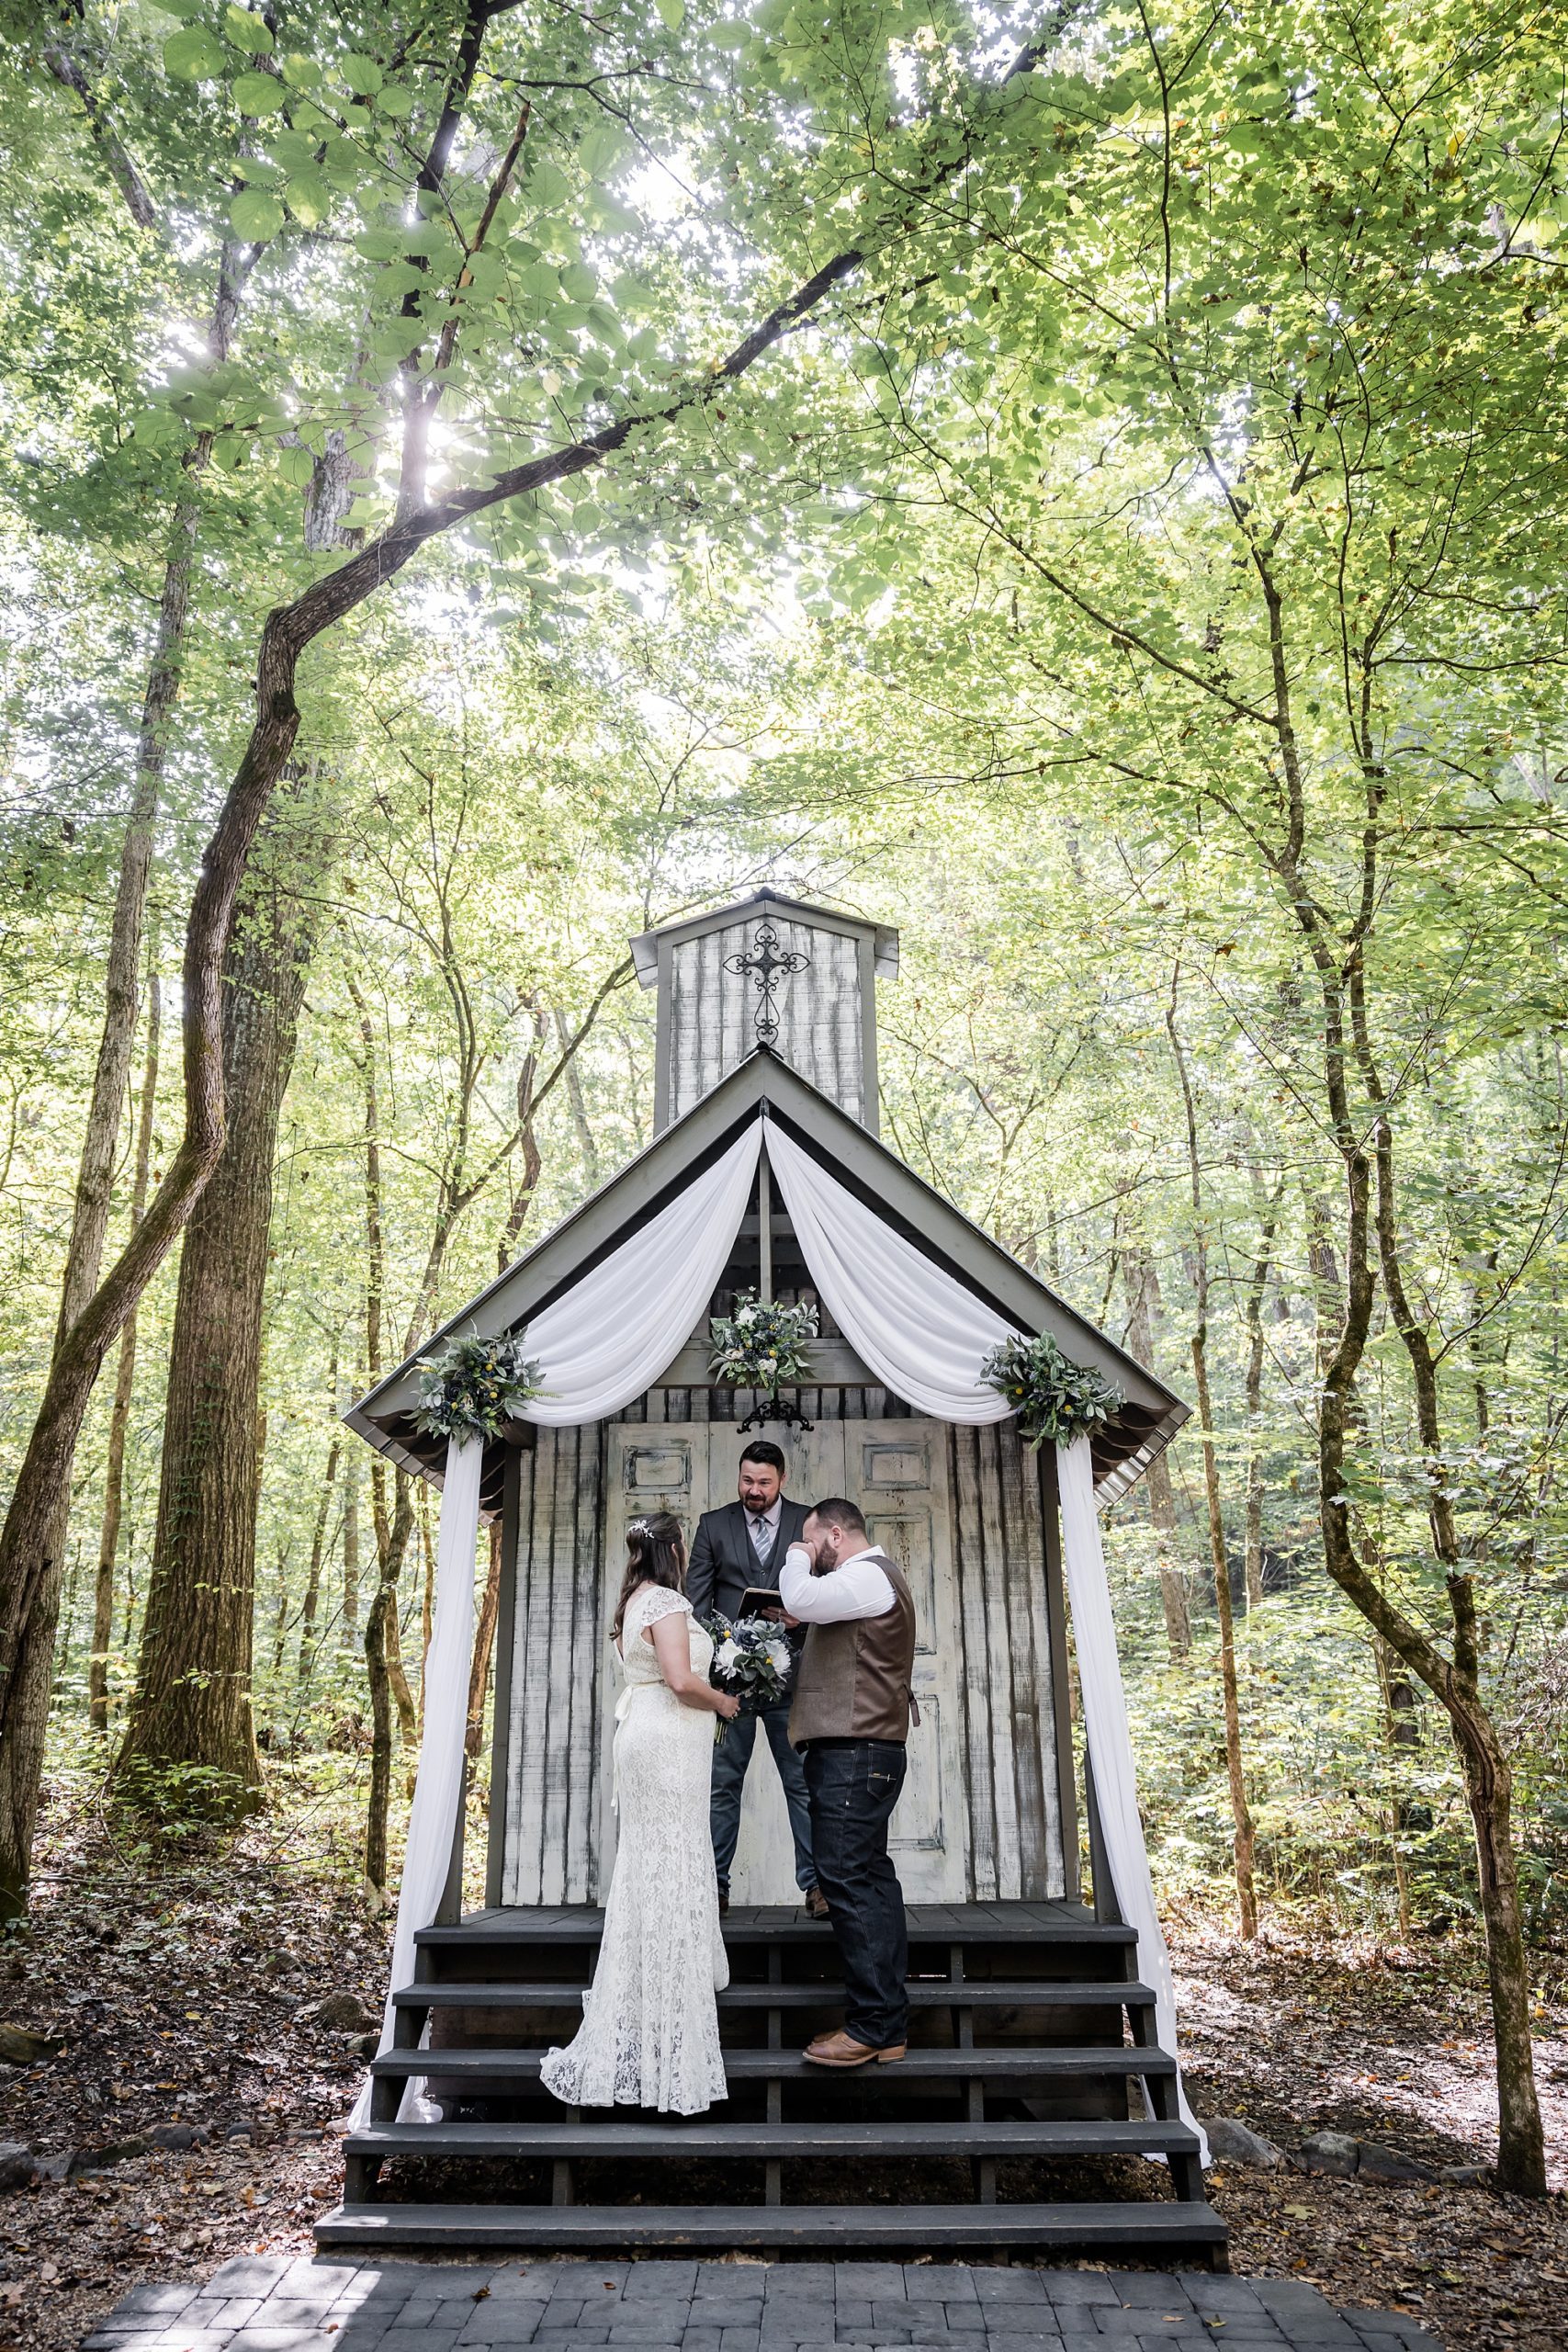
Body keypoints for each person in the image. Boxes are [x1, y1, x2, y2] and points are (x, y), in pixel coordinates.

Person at [539, 1512, 740, 2114]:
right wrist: (723, 1700)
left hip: (645, 1734)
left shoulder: (634, 1600)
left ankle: (652, 1967)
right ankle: (668, 1982)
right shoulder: (669, 1601)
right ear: (673, 1549)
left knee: (652, 1853)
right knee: (673, 1849)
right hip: (667, 1736)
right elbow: (681, 1680)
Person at [780, 1496, 917, 2069]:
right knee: (868, 1882)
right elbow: (813, 1617)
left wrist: (795, 1552)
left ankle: (869, 2026)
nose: (814, 1553)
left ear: (835, 1535)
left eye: (816, 1543)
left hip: (857, 1753)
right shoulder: (867, 1583)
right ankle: (885, 2025)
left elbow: (799, 1594)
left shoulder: (866, 1575)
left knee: (846, 1882)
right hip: (861, 1753)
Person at [686, 1440, 827, 1920]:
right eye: (747, 1480)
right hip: (731, 1687)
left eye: (764, 1482)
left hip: (792, 1684)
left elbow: (831, 1596)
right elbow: (695, 1605)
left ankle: (816, 1887)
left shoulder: (809, 1523)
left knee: (803, 1785)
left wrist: (800, 1616)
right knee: (722, 1786)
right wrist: (721, 1648)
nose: (755, 1490)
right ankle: (714, 1886)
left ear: (782, 1480)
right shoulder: (713, 1525)